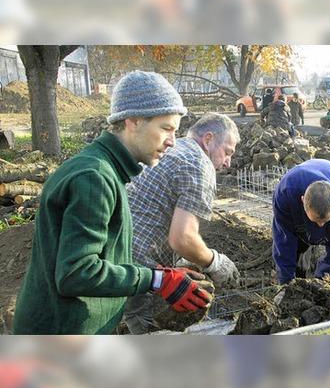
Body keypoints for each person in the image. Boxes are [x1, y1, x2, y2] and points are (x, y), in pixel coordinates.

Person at [13, 71, 213, 334]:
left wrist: (157, 273)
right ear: (133, 121)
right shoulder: (94, 179)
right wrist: (156, 279)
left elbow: (101, 258)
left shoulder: (103, 169)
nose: (172, 142)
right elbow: (76, 273)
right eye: (166, 128)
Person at [123, 112, 241, 334]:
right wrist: (216, 262)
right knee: (149, 329)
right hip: (138, 266)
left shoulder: (169, 149)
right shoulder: (199, 164)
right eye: (227, 152)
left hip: (116, 253)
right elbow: (183, 238)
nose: (228, 162)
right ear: (208, 139)